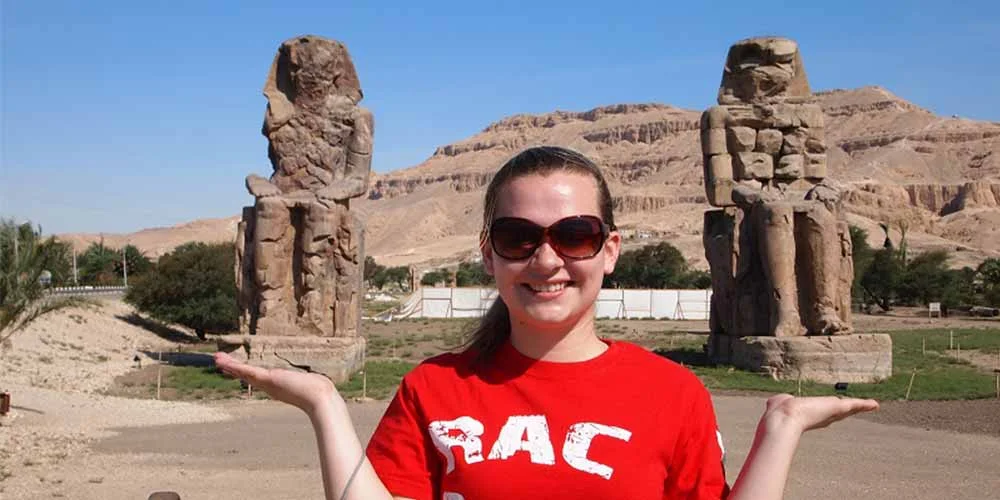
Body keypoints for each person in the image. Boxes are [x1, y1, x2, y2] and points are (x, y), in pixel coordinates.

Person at [215, 145, 878, 500]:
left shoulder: (670, 392)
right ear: (488, 252)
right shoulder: (434, 389)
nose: (546, 259)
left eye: (575, 235)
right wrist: (325, 406)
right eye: (516, 236)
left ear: (610, 250)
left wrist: (781, 428)